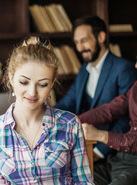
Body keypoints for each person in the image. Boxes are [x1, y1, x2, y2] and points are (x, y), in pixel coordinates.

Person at [0, 36, 98, 185]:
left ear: (52, 83)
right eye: (24, 82)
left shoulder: (69, 124)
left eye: (42, 84)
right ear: (10, 78)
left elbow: (85, 182)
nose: (32, 92)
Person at [55, 15, 136, 162]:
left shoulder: (124, 68)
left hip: (110, 152)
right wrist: (47, 116)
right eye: (76, 42)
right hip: (83, 144)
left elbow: (125, 118)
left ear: (101, 37)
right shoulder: (84, 69)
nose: (79, 48)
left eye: (84, 40)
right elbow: (68, 102)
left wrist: (98, 152)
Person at [79, 59, 137, 185]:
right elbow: (108, 110)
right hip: (119, 158)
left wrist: (99, 135)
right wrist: (73, 122)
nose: (135, 65)